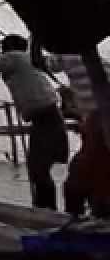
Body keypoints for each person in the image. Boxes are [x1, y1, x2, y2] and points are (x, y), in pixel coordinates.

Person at [0, 29, 68, 210]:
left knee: (39, 171)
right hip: (49, 119)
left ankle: (47, 211)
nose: (1, 52)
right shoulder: (24, 59)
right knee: (39, 171)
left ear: (11, 48)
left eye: (3, 48)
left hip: (46, 120)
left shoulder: (15, 58)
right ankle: (46, 210)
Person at [30, 46, 110, 216]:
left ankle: (83, 224)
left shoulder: (67, 52)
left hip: (99, 126)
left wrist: (34, 37)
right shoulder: (92, 60)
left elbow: (37, 62)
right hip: (96, 127)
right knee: (92, 188)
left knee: (77, 188)